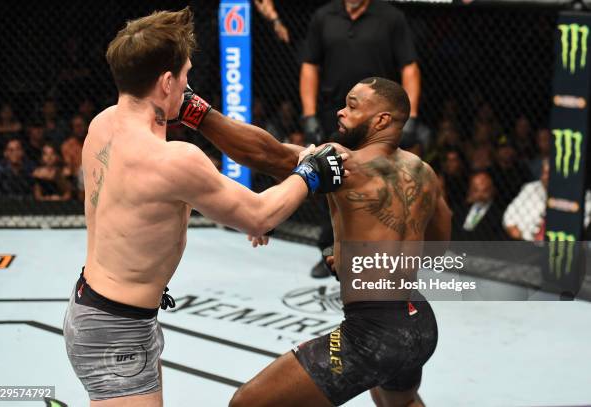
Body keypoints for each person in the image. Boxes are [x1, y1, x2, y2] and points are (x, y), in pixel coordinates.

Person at [62, 8, 345, 406]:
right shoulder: (174, 160)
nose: (188, 85)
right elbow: (261, 213)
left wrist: (238, 206)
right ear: (165, 82)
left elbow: (146, 205)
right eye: (185, 76)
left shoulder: (101, 125)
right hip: (115, 330)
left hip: (102, 309)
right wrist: (311, 172)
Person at [175, 78, 450, 406]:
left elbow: (268, 154)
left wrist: (195, 111)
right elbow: (436, 247)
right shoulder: (424, 173)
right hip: (417, 322)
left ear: (381, 120)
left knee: (246, 403)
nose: (341, 112)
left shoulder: (342, 160)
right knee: (399, 400)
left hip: (373, 335)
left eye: (353, 105)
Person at [300, 0, 422, 277]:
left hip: (379, 122)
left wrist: (411, 116)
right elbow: (310, 65)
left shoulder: (391, 17)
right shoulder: (324, 15)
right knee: (330, 182)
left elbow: (409, 67)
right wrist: (308, 115)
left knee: (381, 186)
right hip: (337, 115)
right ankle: (330, 252)